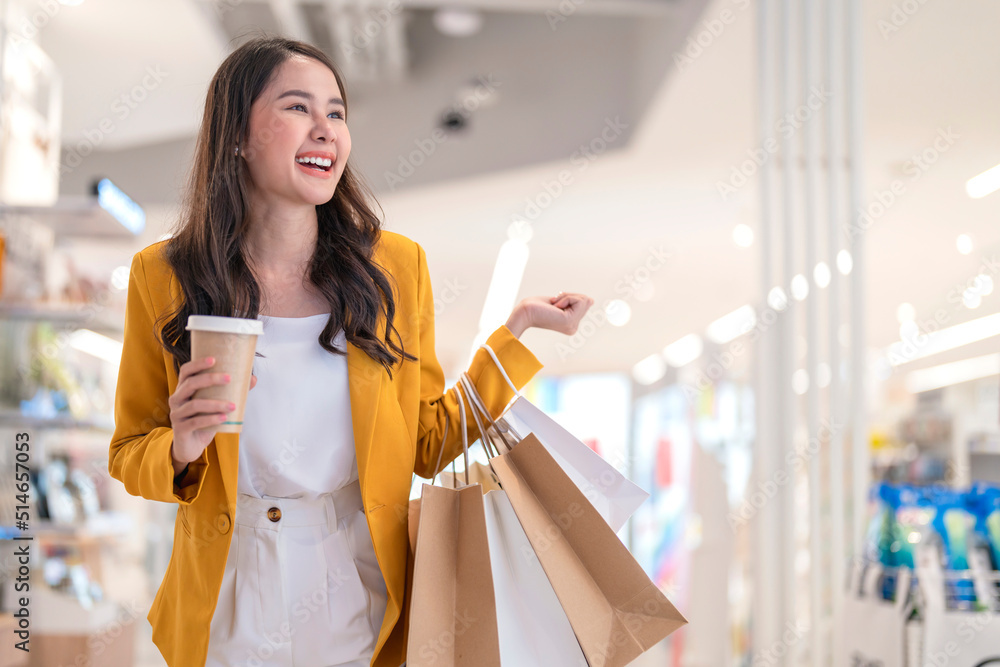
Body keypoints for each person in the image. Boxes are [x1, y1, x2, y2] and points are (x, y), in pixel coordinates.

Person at [107, 35, 593, 667]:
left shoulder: (392, 267)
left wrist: (514, 338)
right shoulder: (165, 274)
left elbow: (426, 444)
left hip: (355, 583)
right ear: (237, 136)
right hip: (226, 589)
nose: (325, 130)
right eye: (297, 108)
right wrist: (180, 447)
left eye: (336, 113)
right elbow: (126, 452)